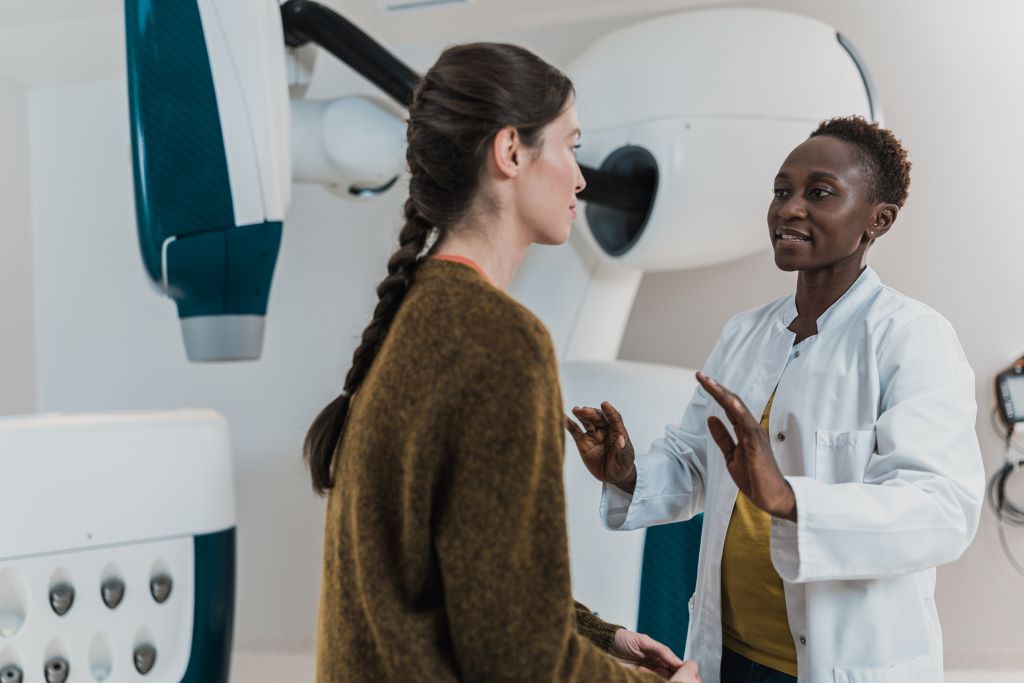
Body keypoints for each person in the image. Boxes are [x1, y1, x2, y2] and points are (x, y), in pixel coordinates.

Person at [305, 42, 700, 683]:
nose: (580, 177)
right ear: (511, 151)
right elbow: (519, 659)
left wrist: (606, 637)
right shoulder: (502, 341)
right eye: (570, 145)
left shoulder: (416, 316)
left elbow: (475, 583)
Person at [567, 116, 985, 683]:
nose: (788, 208)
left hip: (840, 663)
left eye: (819, 193)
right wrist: (627, 472)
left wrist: (792, 500)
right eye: (781, 191)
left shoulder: (911, 337)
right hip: (728, 654)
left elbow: (942, 509)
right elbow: (694, 463)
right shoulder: (744, 334)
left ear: (877, 220)